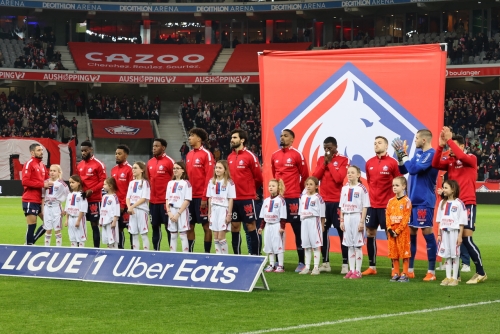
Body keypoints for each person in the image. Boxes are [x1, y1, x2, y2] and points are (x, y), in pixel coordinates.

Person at [432, 128, 487, 284]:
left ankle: (480, 272)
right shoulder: (450, 162)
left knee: (467, 239)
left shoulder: (471, 158)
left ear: (462, 146)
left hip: (467, 203)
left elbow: (461, 156)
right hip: (452, 205)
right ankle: (455, 275)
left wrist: (449, 140)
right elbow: (435, 164)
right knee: (453, 238)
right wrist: (441, 146)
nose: (451, 149)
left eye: (453, 145)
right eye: (450, 146)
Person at [392, 129, 439, 281]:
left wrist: (404, 154)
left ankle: (431, 271)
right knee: (410, 234)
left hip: (424, 201)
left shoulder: (431, 154)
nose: (415, 140)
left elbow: (413, 170)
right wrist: (400, 156)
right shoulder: (418, 154)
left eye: (417, 138)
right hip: (412, 201)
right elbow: (403, 169)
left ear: (424, 140)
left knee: (427, 233)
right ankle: (410, 269)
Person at [362, 136, 401, 275]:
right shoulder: (369, 163)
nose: (376, 145)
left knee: (389, 235)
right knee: (370, 233)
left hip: (387, 206)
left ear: (386, 146)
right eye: (374, 143)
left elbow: (399, 182)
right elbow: (370, 181)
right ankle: (372, 267)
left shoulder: (392, 163)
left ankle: (394, 267)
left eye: (379, 143)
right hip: (372, 205)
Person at [271, 129, 309, 271]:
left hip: (292, 198)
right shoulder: (274, 155)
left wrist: (296, 191)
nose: (282, 138)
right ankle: (276, 261)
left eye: (285, 136)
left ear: (292, 139)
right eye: (281, 135)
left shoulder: (297, 154)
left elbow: (305, 176)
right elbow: (275, 175)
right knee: (276, 229)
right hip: (278, 198)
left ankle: (301, 262)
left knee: (297, 229)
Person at [312, 136, 350, 274]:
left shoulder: (343, 160)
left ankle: (345, 264)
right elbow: (315, 177)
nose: (327, 150)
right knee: (323, 232)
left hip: (338, 202)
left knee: (342, 232)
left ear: (335, 147)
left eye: (329, 148)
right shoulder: (321, 160)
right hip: (323, 202)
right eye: (325, 148)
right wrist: (325, 163)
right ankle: (326, 263)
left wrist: (330, 164)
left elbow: (339, 179)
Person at [228, 129, 263, 255]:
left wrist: (252, 191)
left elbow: (258, 177)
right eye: (232, 137)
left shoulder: (250, 156)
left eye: (235, 137)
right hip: (233, 199)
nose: (232, 140)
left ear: (242, 140)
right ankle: (237, 257)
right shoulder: (230, 157)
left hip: (247, 198)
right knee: (235, 227)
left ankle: (256, 256)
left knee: (251, 226)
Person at [186, 128, 215, 253]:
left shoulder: (207, 154)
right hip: (189, 197)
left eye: (192, 136)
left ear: (199, 138)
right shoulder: (189, 154)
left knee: (206, 226)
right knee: (189, 226)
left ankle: (207, 254)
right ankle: (191, 253)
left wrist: (205, 197)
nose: (189, 138)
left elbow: (209, 178)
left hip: (202, 197)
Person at [339, 166, 369, 279]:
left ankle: (358, 271)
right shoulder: (344, 188)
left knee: (357, 245)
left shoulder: (362, 188)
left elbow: (365, 206)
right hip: (347, 217)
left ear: (358, 175)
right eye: (348, 172)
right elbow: (341, 205)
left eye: (352, 172)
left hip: (357, 216)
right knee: (349, 245)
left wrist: (362, 222)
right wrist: (341, 220)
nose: (349, 174)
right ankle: (351, 270)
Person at [436, 180, 466, 287]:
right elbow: (439, 220)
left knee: (455, 255)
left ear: (453, 190)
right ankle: (448, 277)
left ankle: (455, 278)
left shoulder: (459, 204)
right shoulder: (442, 203)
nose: (443, 190)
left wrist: (460, 235)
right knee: (447, 254)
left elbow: (462, 222)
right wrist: (439, 234)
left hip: (454, 232)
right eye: (443, 187)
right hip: (444, 232)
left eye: (446, 188)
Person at [147, 138, 175, 251]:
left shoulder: (170, 162)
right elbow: (149, 180)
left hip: (165, 202)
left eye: (157, 146)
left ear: (163, 148)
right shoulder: (150, 162)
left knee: (169, 227)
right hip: (153, 202)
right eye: (153, 146)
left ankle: (171, 252)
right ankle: (156, 251)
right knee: (155, 227)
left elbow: (174, 180)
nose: (154, 148)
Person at [77, 141, 106, 248]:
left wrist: (92, 190)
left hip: (94, 199)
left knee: (94, 225)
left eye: (85, 150)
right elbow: (78, 181)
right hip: (82, 199)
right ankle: (79, 248)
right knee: (80, 224)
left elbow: (103, 181)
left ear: (91, 150)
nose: (83, 153)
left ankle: (96, 249)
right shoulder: (79, 165)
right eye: (82, 151)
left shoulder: (98, 164)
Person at [22, 143, 50, 245]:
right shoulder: (29, 164)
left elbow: (47, 179)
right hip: (30, 199)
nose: (41, 152)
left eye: (42, 150)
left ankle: (30, 242)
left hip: (40, 200)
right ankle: (29, 246)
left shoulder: (42, 165)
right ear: (32, 152)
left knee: (48, 223)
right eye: (38, 150)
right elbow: (25, 181)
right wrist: (43, 184)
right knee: (32, 225)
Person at [386, 176, 412, 283]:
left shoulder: (406, 201)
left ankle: (405, 273)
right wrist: (389, 229)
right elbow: (387, 215)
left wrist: (398, 230)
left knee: (404, 252)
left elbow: (406, 218)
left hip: (402, 231)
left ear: (404, 186)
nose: (394, 187)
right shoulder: (390, 201)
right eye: (393, 185)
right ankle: (396, 273)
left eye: (397, 185)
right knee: (394, 252)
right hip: (392, 231)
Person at [207, 160, 236, 254]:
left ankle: (225, 258)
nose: (217, 170)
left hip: (223, 210)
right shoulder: (211, 181)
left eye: (220, 168)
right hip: (214, 210)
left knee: (221, 237)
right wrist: (209, 213)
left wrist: (229, 214)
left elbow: (231, 199)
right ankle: (218, 257)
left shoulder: (229, 182)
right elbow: (210, 198)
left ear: (225, 170)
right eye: (216, 167)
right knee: (215, 237)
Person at [298, 177, 325, 275]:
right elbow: (301, 210)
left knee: (316, 245)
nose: (308, 186)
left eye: (311, 184)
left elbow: (322, 213)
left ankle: (316, 267)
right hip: (305, 222)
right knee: (306, 245)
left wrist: (322, 225)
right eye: (307, 184)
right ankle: (307, 267)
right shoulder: (303, 197)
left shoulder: (318, 198)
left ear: (316, 186)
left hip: (314, 221)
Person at [258, 179, 287, 272]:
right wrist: (261, 227)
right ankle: (271, 264)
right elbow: (263, 216)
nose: (270, 187)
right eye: (269, 186)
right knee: (269, 245)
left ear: (278, 188)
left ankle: (281, 265)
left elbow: (283, 215)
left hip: (276, 225)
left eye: (273, 186)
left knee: (278, 245)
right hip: (268, 226)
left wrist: (282, 227)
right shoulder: (266, 200)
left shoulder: (281, 200)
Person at [110, 145, 133, 249]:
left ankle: (134, 249)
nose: (117, 156)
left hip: (127, 205)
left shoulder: (130, 169)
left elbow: (131, 189)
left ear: (126, 155)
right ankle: (121, 249)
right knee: (118, 228)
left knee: (131, 228)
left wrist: (124, 204)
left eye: (119, 154)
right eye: (116, 153)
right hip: (116, 205)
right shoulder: (113, 170)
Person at [166, 161, 192, 252]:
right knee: (172, 235)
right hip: (171, 211)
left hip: (182, 212)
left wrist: (178, 213)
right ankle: (172, 255)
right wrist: (169, 212)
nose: (175, 170)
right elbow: (167, 199)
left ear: (183, 170)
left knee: (183, 235)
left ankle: (185, 255)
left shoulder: (186, 183)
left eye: (177, 168)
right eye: (174, 168)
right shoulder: (170, 183)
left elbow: (187, 199)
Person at [42, 164, 69, 247]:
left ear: (59, 172)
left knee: (57, 229)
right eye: (51, 170)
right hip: (47, 207)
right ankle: (46, 247)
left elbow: (69, 197)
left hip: (57, 208)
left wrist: (66, 209)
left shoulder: (62, 184)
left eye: (54, 171)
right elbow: (42, 196)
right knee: (48, 229)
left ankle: (58, 248)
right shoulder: (45, 182)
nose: (52, 172)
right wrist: (43, 209)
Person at [126, 162, 151, 250]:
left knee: (143, 234)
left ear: (142, 170)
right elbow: (128, 197)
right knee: (134, 234)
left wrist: (132, 206)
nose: (133, 170)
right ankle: (135, 253)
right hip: (132, 211)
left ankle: (146, 253)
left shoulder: (145, 183)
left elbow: (144, 198)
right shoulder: (132, 183)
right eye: (132, 168)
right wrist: (129, 207)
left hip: (141, 210)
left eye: (135, 168)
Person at [64, 175, 88, 248]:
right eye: (70, 182)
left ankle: (81, 252)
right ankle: (73, 252)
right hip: (71, 218)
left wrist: (78, 220)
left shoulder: (82, 195)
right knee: (72, 238)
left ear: (78, 183)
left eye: (73, 182)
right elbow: (68, 208)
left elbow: (82, 209)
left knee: (80, 238)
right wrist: (66, 220)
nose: (71, 184)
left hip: (79, 218)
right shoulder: (69, 195)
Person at [100, 177, 120, 249]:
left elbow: (116, 209)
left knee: (113, 239)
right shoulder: (104, 196)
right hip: (104, 221)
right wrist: (101, 220)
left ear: (110, 186)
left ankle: (115, 253)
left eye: (105, 184)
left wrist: (114, 221)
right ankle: (109, 253)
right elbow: (102, 209)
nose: (103, 186)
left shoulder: (114, 197)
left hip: (111, 221)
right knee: (107, 239)